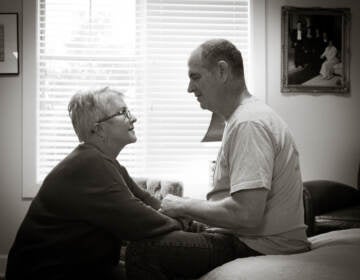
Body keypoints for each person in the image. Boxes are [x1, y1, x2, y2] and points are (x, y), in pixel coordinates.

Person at [125, 39, 310, 279]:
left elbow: (247, 214)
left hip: (259, 246)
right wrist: (192, 212)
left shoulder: (249, 123)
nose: (190, 88)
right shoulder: (245, 117)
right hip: (252, 238)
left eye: (195, 77)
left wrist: (183, 205)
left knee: (142, 251)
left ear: (222, 71)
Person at [5, 87, 182, 280]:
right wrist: (183, 223)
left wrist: (186, 213)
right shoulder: (88, 164)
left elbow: (148, 201)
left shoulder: (106, 162)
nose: (133, 118)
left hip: (86, 268)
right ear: (99, 128)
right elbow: (141, 221)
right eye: (123, 113)